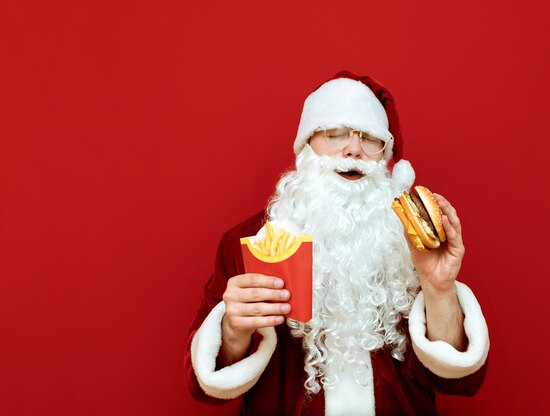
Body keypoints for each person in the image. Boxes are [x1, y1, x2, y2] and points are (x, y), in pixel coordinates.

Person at [184, 71, 489, 415]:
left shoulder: (412, 243)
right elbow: (204, 387)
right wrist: (232, 329)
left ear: (384, 156)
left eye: (370, 138)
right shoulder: (247, 242)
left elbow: (458, 381)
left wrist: (439, 288)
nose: (353, 149)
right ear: (305, 147)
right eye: (335, 133)